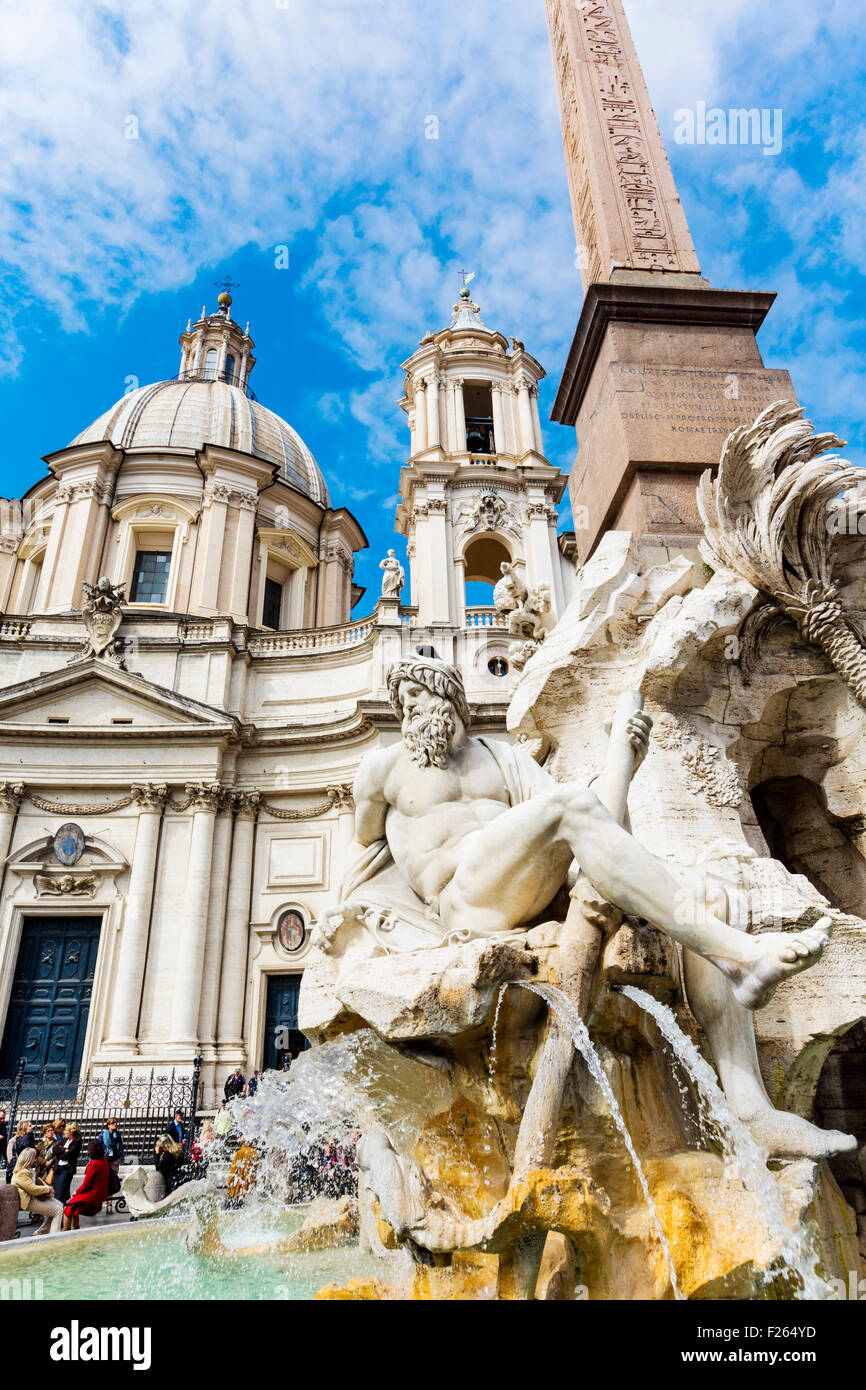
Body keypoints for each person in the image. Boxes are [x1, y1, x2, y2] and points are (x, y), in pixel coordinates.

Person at [11, 1148, 63, 1235]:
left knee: (60, 1205)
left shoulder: (27, 1170)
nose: (35, 1159)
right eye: (34, 1157)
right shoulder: (21, 1173)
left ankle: (41, 1232)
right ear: (28, 1159)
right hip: (29, 1201)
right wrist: (48, 1189)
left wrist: (47, 1187)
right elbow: (33, 1189)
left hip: (33, 1197)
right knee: (58, 1210)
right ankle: (55, 1237)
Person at [62, 1139, 109, 1231]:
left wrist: (76, 1191)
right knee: (73, 1207)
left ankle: (66, 1231)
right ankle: (75, 1228)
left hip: (93, 1194)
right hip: (101, 1193)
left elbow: (86, 1185)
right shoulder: (104, 1161)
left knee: (68, 1207)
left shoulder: (93, 1165)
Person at [52, 1122, 82, 1207]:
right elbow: (54, 1149)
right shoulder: (65, 1139)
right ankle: (61, 1209)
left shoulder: (76, 1141)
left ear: (71, 1132)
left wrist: (61, 1151)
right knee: (58, 1190)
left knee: (61, 1192)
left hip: (66, 1169)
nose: (64, 1131)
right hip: (58, 1168)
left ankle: (59, 1210)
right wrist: (63, 1150)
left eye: (66, 1130)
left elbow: (67, 1156)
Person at [225, 1137, 259, 1207]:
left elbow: (233, 1168)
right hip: (250, 1177)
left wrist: (230, 1181)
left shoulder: (238, 1153)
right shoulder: (255, 1152)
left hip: (239, 1177)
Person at [100, 1117, 125, 1211]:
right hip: (105, 1160)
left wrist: (120, 1158)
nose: (115, 1124)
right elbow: (98, 1148)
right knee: (104, 1181)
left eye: (116, 1123)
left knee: (112, 1181)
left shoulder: (117, 1134)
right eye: (113, 1123)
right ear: (108, 1125)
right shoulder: (102, 1135)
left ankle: (109, 1204)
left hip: (114, 1161)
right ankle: (100, 1201)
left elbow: (121, 1146)